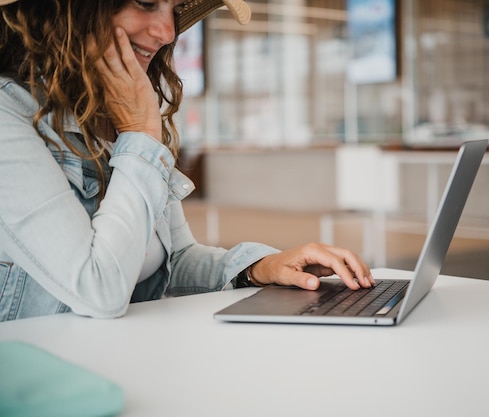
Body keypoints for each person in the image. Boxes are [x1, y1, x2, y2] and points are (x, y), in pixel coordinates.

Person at [0, 0, 374, 322]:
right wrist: (142, 133)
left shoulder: (119, 114)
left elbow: (173, 261)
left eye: (176, 8)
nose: (166, 31)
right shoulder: (9, 114)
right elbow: (98, 287)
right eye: (145, 2)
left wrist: (261, 268)